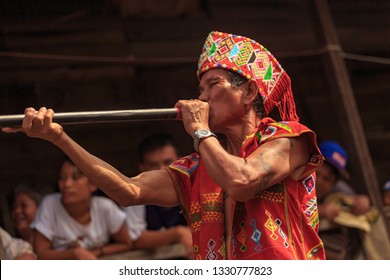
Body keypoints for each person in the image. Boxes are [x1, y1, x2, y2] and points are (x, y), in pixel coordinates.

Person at [2, 31, 325, 260]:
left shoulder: (287, 138)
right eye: (200, 88)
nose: (202, 97)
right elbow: (128, 191)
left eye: (213, 85)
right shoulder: (199, 167)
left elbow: (243, 181)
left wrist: (199, 130)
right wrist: (58, 138)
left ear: (250, 92)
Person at [30, 157, 133, 259]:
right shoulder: (50, 204)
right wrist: (74, 253)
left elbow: (126, 243)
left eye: (75, 177)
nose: (67, 184)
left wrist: (96, 252)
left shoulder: (105, 207)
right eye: (62, 178)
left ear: (93, 184)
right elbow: (40, 253)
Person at [123, 133, 192, 257]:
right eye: (153, 165)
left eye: (168, 162)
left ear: (182, 162)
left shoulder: (194, 188)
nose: (162, 170)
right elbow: (135, 239)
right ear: (142, 168)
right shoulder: (136, 193)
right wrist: (178, 233)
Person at [316, 140, 374, 259]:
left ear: (334, 184)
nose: (319, 181)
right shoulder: (291, 181)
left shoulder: (338, 191)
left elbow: (357, 201)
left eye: (327, 179)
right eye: (316, 173)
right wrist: (320, 211)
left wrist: (364, 201)